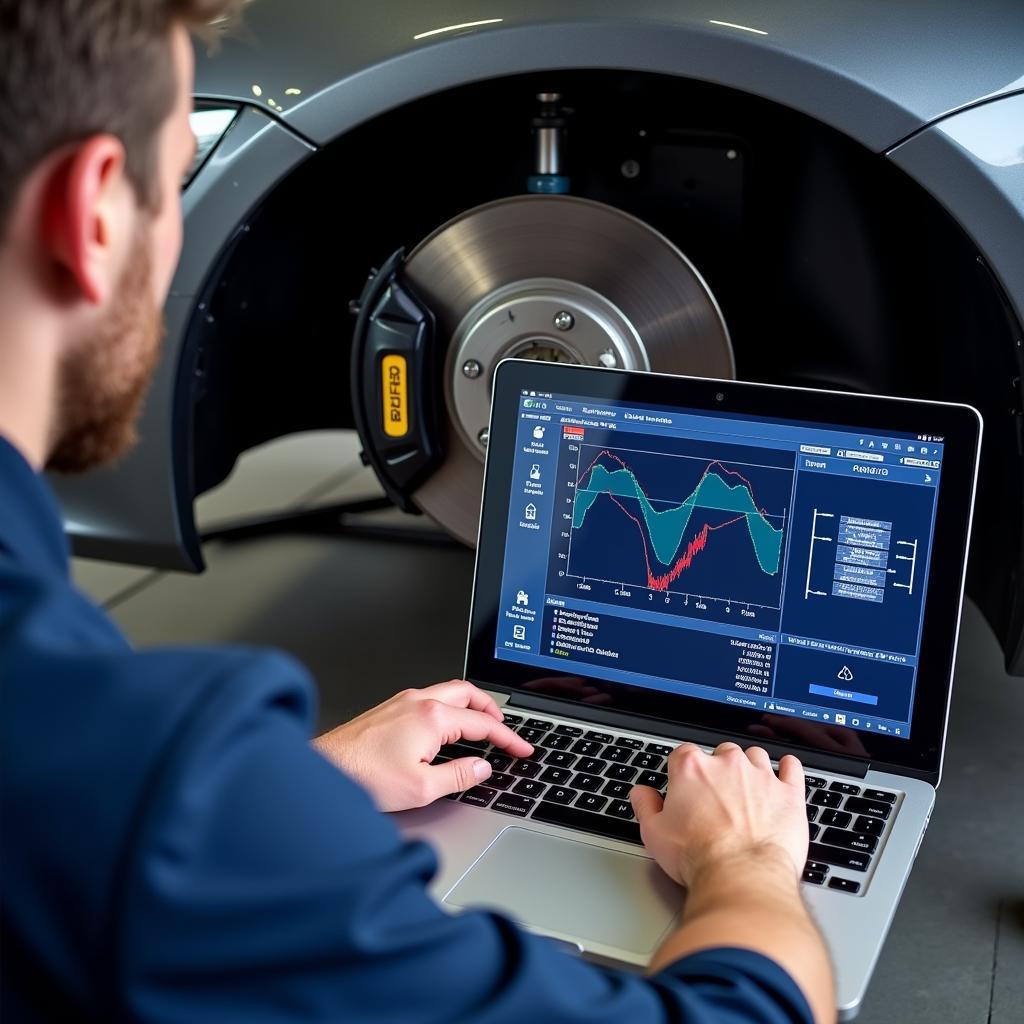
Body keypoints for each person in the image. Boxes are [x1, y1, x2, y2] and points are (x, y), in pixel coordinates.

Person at [0, 2, 834, 1021]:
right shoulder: (145, 786)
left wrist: (296, 785)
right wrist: (745, 865)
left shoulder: (85, 769)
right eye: (180, 176)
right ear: (90, 214)